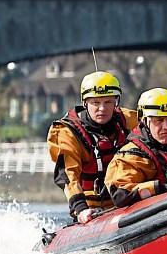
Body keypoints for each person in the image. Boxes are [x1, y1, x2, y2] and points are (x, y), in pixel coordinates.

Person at [47, 71, 139, 223]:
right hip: (92, 207)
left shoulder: (128, 120)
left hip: (129, 199)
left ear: (116, 102)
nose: (102, 109)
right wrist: (81, 209)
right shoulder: (69, 132)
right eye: (96, 103)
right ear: (85, 103)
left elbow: (159, 124)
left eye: (108, 102)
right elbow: (69, 176)